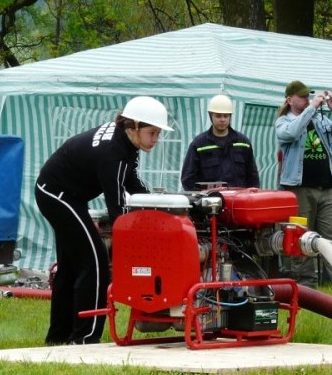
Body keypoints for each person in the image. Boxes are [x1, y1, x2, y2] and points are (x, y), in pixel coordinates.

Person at [35, 96, 173, 344]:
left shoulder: (125, 143)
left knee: (70, 265)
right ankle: (85, 337)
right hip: (57, 194)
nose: (156, 139)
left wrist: (157, 206)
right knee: (95, 262)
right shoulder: (113, 154)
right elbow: (117, 208)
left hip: (64, 193)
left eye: (158, 133)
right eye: (152, 133)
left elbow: (132, 181)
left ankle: (58, 337)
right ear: (134, 127)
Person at [275, 80, 332, 288]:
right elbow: (291, 133)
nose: (307, 99)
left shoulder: (319, 120)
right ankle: (305, 285)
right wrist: (311, 108)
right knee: (301, 235)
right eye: (302, 96)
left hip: (326, 189)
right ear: (289, 100)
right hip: (299, 189)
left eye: (308, 96)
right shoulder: (283, 122)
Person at [180, 94, 259, 190]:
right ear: (210, 116)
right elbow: (187, 179)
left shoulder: (243, 143)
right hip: (210, 198)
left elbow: (253, 177)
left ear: (230, 116)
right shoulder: (199, 145)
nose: (222, 120)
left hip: (238, 198)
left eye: (226, 116)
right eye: (218, 116)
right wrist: (202, 195)